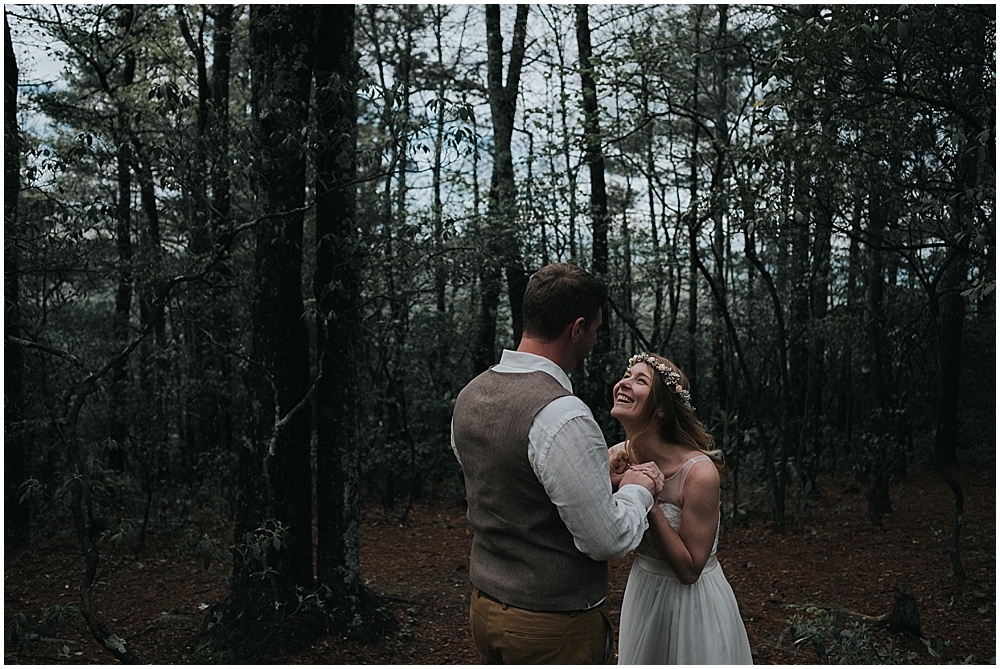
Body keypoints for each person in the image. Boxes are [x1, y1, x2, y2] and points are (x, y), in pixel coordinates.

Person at [451, 263, 665, 664]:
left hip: (484, 609)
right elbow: (606, 539)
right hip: (550, 627)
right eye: (597, 330)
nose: (595, 341)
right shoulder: (563, 414)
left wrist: (597, 469)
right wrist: (640, 489)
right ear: (577, 328)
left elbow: (514, 479)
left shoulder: (470, 395)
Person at [609, 352, 753, 665]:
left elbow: (690, 570)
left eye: (640, 380)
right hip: (643, 592)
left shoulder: (699, 473)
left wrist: (649, 500)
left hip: (691, 604)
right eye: (626, 374)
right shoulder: (616, 457)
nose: (624, 382)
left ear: (662, 408)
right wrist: (605, 483)